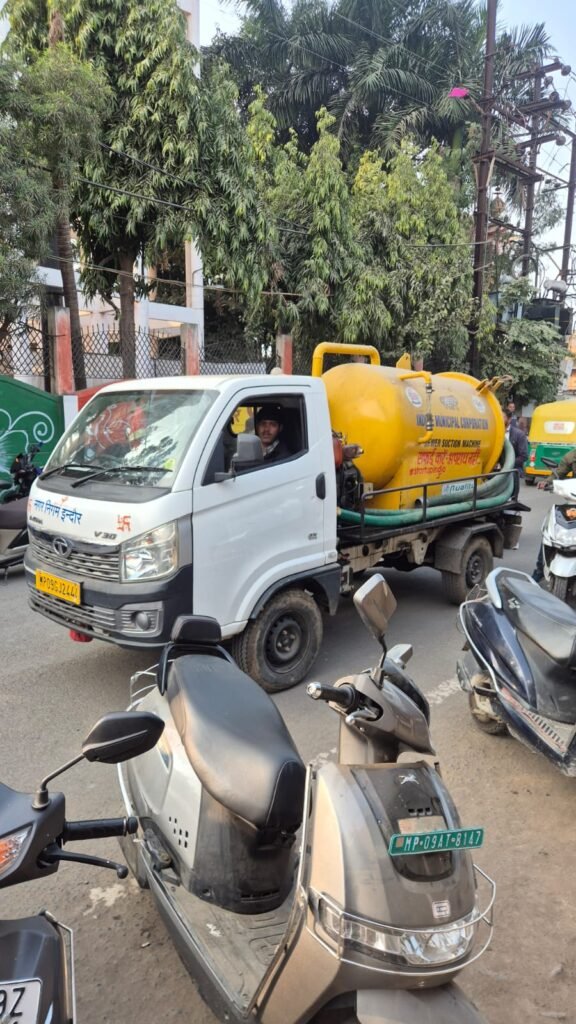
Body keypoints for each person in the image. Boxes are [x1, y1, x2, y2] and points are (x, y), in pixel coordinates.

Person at [532, 446, 576, 582]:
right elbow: (558, 472)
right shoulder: (572, 456)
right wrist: (547, 482)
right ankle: (540, 569)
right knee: (553, 528)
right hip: (574, 501)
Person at [503, 408, 528, 500]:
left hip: (512, 470)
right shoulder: (492, 432)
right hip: (496, 469)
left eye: (503, 417)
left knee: (510, 499)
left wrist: (506, 464)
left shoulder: (519, 435)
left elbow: (524, 456)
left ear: (509, 419)